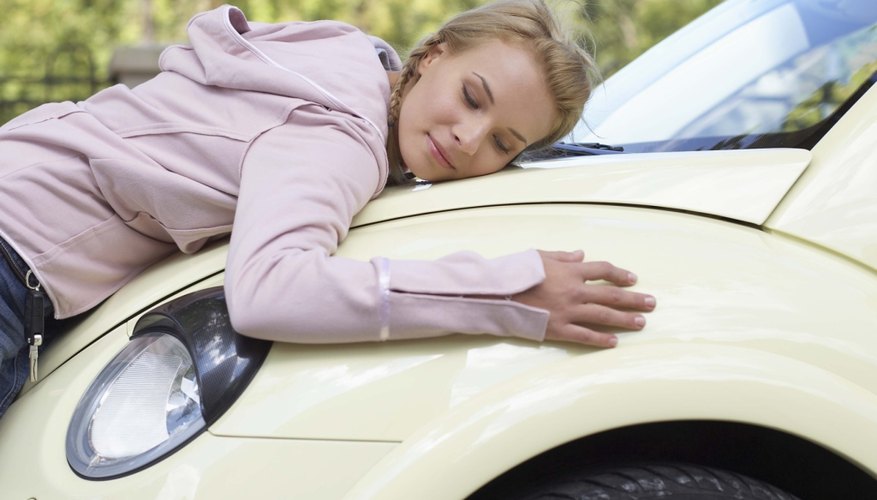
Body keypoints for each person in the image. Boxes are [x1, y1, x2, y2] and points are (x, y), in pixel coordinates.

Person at [0, 0, 655, 418]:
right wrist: (509, 292)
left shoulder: (339, 55)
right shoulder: (342, 130)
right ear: (430, 56)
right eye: (472, 97)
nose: (468, 137)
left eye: (503, 143)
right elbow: (269, 291)